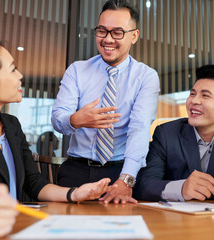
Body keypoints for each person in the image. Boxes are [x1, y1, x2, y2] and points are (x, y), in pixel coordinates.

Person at [0, 33, 111, 238]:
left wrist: (75, 193)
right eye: (13, 69)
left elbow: (33, 183)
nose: (20, 76)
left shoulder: (11, 125)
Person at [51, 0, 160, 204]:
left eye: (117, 32)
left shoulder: (146, 77)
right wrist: (76, 120)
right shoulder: (77, 70)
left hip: (119, 172)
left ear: (134, 36)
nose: (108, 39)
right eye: (102, 31)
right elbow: (58, 120)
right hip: (76, 170)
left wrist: (126, 180)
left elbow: (139, 129)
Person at [134, 65, 214, 202]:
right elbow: (144, 185)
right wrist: (181, 189)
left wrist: (198, 189)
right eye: (192, 94)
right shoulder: (166, 134)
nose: (194, 101)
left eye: (205, 95)